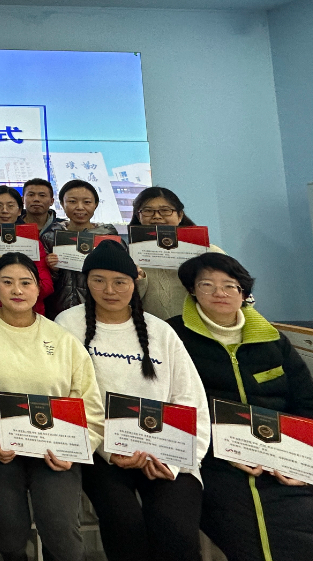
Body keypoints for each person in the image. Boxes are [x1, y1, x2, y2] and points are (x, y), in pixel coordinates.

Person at [55, 240, 210, 561]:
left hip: (166, 451)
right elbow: (64, 395)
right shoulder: (67, 325)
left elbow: (190, 398)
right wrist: (108, 450)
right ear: (86, 282)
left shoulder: (161, 332)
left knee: (174, 528)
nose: (109, 290)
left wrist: (174, 460)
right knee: (124, 524)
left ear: (134, 282)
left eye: (120, 282)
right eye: (98, 280)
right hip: (100, 452)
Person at [168, 253, 313, 561]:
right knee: (251, 528)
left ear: (243, 293)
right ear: (192, 291)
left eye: (230, 285)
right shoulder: (172, 337)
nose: (220, 292)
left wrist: (298, 457)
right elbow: (171, 408)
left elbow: (311, 404)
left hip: (284, 457)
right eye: (207, 284)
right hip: (214, 461)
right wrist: (222, 449)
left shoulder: (273, 339)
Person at [0, 253, 104, 561]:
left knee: (60, 530)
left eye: (26, 283)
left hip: (56, 447)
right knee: (8, 529)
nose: (17, 290)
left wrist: (76, 449)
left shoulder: (61, 338)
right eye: (7, 282)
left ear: (39, 288)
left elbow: (89, 402)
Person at [130, 187, 223, 321]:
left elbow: (239, 292)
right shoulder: (129, 256)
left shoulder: (209, 252)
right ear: (138, 216)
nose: (156, 216)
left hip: (200, 328)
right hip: (151, 329)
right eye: (148, 211)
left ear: (180, 215)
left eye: (165, 210)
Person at [43, 179, 120, 317]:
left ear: (96, 205)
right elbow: (42, 282)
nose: (80, 207)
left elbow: (120, 276)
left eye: (87, 202)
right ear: (62, 204)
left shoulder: (109, 238)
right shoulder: (50, 237)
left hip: (99, 308)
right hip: (59, 310)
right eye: (72, 201)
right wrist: (53, 270)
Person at [0, 185, 54, 316]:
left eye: (10, 206)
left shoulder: (32, 242)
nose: (4, 210)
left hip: (30, 314)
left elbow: (47, 287)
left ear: (19, 211)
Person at [20, 178, 64, 248]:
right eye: (31, 195)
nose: (36, 199)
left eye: (42, 195)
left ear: (52, 201)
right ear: (23, 200)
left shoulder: (63, 227)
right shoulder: (12, 226)